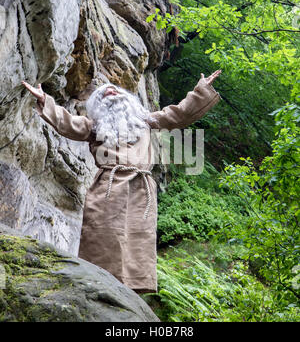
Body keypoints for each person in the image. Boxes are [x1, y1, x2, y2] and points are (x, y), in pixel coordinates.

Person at [21, 69, 221, 294]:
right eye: (104, 94)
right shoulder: (94, 127)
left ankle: (131, 296)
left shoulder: (148, 121)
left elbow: (179, 113)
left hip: (140, 190)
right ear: (97, 107)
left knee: (138, 241)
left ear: (129, 100)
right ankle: (97, 289)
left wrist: (200, 90)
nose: (111, 93)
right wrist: (45, 101)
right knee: (103, 237)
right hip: (108, 188)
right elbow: (67, 122)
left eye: (115, 91)